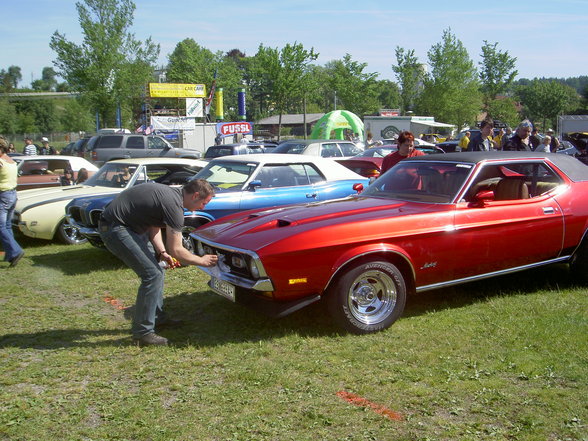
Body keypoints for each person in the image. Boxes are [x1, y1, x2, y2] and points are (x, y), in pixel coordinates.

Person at [98, 178, 219, 346]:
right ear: (195, 195)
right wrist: (201, 261)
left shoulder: (173, 195)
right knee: (152, 274)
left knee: (157, 271)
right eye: (203, 203)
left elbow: (153, 224)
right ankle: (143, 334)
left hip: (130, 227)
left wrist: (161, 252)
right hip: (115, 228)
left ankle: (157, 318)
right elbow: (176, 250)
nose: (203, 208)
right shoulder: (174, 205)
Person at [0, 137, 25, 268]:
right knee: (7, 226)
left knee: (1, 226)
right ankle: (10, 254)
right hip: (12, 194)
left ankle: (16, 251)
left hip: (2, 195)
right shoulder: (11, 161)